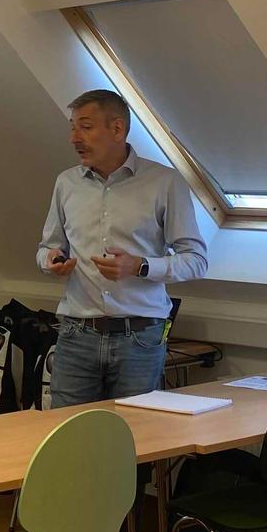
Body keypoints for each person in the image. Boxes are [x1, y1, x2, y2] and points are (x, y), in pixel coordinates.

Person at [36, 89, 207, 408]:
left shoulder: (164, 183)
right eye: (72, 127)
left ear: (117, 129)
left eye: (85, 127)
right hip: (76, 335)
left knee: (135, 442)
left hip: (139, 339)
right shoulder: (66, 183)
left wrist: (141, 266)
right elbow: (48, 247)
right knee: (67, 440)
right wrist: (51, 261)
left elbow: (196, 260)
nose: (74, 138)